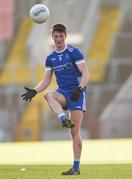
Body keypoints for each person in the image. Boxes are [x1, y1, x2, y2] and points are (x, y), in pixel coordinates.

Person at [21, 23, 89, 175]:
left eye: (61, 36)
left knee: (74, 132)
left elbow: (86, 73)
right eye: (55, 36)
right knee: (48, 95)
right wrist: (34, 91)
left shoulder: (74, 52)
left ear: (65, 36)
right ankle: (63, 118)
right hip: (63, 92)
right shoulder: (51, 58)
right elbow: (46, 81)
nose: (58, 39)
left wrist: (80, 89)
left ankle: (76, 168)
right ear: (52, 37)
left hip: (77, 93)